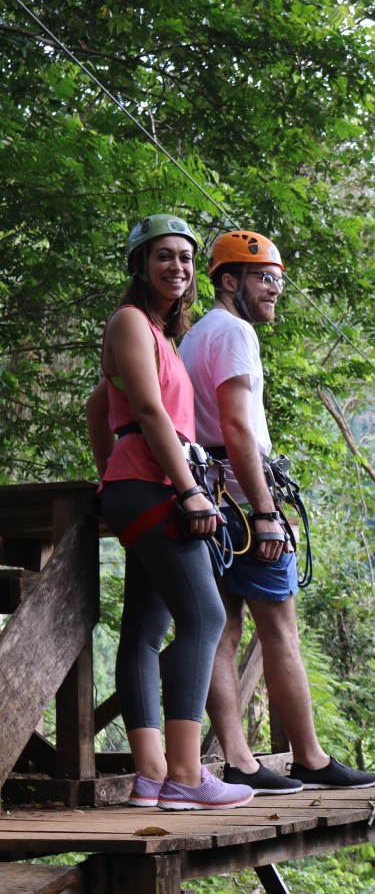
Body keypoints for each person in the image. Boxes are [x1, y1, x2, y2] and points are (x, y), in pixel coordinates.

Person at [179, 229, 375, 791]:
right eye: (265, 278)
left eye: (278, 282)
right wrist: (266, 512)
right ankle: (309, 757)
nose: (274, 290)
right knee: (280, 631)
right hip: (243, 502)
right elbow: (238, 426)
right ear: (229, 280)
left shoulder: (193, 337)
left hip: (208, 497)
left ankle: (240, 761)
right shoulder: (235, 332)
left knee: (221, 630)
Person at [85, 213, 254, 811]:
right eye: (163, 255)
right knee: (205, 616)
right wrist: (188, 491)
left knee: (145, 629)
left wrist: (111, 475)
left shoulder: (156, 334)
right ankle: (185, 774)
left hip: (141, 482)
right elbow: (151, 414)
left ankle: (152, 775)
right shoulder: (130, 321)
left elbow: (98, 404)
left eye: (185, 257)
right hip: (156, 485)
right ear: (139, 264)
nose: (177, 266)